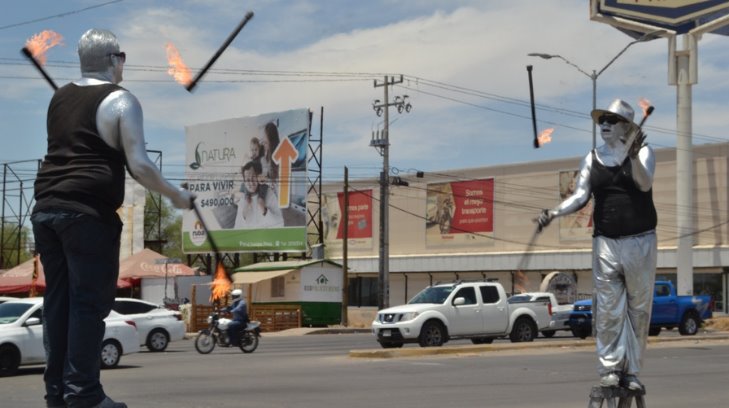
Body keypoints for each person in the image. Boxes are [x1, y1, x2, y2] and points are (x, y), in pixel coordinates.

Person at [31, 29, 194, 408]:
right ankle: (84, 395)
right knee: (87, 304)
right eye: (121, 56)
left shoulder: (59, 97)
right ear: (112, 59)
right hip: (87, 216)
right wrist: (175, 195)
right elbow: (138, 164)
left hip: (46, 211)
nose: (124, 62)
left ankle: (59, 394)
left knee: (59, 304)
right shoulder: (122, 100)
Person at [537, 99, 656, 390]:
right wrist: (554, 212)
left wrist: (630, 157)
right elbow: (580, 196)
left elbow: (644, 183)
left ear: (626, 126)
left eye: (612, 120)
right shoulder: (592, 158)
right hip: (605, 242)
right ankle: (610, 369)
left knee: (638, 309)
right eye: (602, 119)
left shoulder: (643, 152)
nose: (604, 124)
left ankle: (632, 371)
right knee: (607, 309)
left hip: (640, 241)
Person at [233, 160, 283, 229]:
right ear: (244, 182)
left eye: (253, 177)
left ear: (258, 177)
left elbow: (280, 224)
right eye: (247, 180)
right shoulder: (243, 199)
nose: (251, 182)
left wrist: (264, 210)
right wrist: (245, 210)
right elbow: (237, 228)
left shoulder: (269, 194)